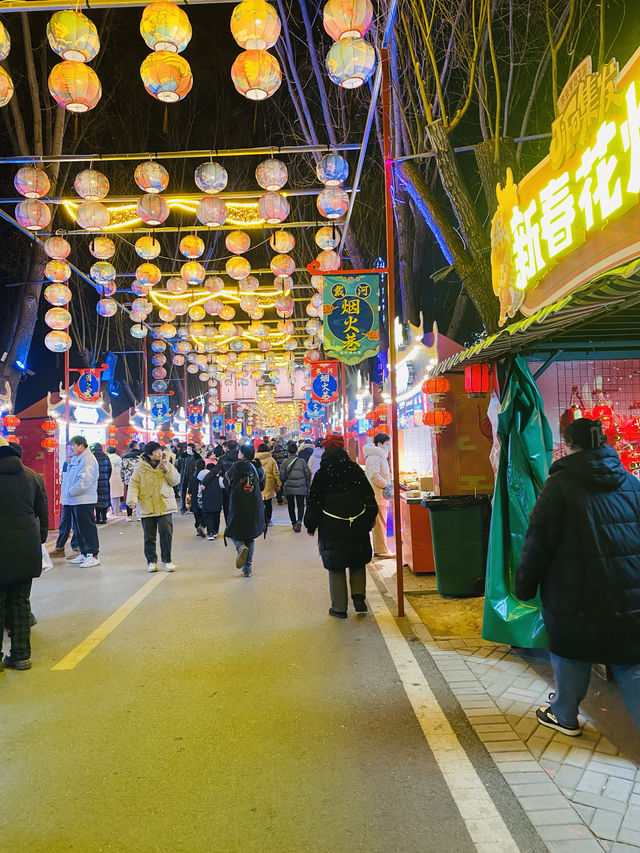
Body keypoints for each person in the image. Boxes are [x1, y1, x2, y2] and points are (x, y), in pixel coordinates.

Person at [515, 417, 640, 735]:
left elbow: (538, 540)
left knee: (571, 653)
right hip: (628, 593)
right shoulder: (631, 483)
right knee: (631, 660)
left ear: (569, 446)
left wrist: (524, 585)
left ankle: (565, 715)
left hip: (573, 594)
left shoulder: (559, 486)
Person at [304, 433, 378, 619]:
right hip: (357, 525)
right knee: (357, 561)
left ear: (327, 449)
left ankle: (339, 607)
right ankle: (359, 597)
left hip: (332, 527)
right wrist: (370, 518)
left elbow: (314, 503)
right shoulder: (354, 469)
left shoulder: (322, 474)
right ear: (343, 447)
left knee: (336, 566)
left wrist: (311, 525)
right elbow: (369, 496)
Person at [0, 437, 49, 672]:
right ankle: (21, 657)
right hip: (27, 548)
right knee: (20, 602)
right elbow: (43, 513)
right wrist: (38, 541)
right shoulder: (32, 476)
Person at [126, 441, 180, 573]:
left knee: (166, 533)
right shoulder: (140, 468)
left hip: (164, 504)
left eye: (160, 450)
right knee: (149, 536)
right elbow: (133, 485)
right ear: (149, 454)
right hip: (147, 504)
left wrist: (167, 472)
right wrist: (132, 500)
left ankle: (167, 560)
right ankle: (151, 561)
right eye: (156, 451)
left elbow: (176, 481)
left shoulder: (166, 464)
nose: (160, 453)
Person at [224, 444, 266, 577]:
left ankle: (240, 546)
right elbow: (262, 486)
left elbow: (226, 484)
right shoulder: (258, 467)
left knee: (234, 532)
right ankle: (247, 569)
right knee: (250, 536)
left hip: (237, 505)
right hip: (254, 505)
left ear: (242, 454)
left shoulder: (235, 467)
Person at [64, 436, 101, 568]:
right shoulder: (76, 459)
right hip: (75, 500)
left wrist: (71, 492)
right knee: (78, 529)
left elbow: (84, 481)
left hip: (83, 499)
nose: (70, 449)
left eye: (72, 446)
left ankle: (93, 555)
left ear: (81, 446)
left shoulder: (88, 459)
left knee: (87, 528)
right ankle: (84, 553)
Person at [363, 432, 394, 557]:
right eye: (387, 444)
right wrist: (386, 485)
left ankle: (381, 549)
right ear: (379, 444)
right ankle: (381, 550)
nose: (388, 446)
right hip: (378, 494)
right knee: (380, 522)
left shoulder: (379, 456)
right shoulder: (375, 457)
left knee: (381, 522)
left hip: (380, 494)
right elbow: (374, 475)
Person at [51, 442, 79, 558]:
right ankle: (59, 547)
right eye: (67, 449)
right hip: (66, 499)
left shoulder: (79, 462)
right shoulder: (65, 464)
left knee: (76, 524)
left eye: (72, 449)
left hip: (76, 498)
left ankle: (76, 548)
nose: (69, 452)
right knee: (64, 523)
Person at [280, 440, 311, 532]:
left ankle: (293, 522)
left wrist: (284, 482)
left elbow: (281, 476)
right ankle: (299, 521)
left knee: (291, 505)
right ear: (297, 451)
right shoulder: (302, 461)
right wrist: (307, 484)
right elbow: (307, 474)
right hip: (300, 486)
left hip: (289, 486)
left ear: (288, 451)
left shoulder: (285, 462)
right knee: (301, 504)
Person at [256, 442, 281, 528]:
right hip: (269, 484)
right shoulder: (271, 460)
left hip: (258, 484)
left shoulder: (255, 460)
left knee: (259, 503)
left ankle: (261, 520)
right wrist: (278, 484)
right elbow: (276, 473)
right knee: (268, 503)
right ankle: (268, 520)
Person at [198, 460, 223, 539]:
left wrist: (199, 501)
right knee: (216, 518)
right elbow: (224, 486)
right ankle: (215, 531)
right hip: (217, 502)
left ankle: (210, 533)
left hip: (207, 502)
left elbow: (199, 492)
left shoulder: (203, 481)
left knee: (208, 518)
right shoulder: (219, 479)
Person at [176, 443, 201, 513]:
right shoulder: (182, 456)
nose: (188, 450)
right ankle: (183, 507)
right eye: (187, 448)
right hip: (184, 477)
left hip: (192, 477)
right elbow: (177, 466)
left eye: (190, 448)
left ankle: (192, 507)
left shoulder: (196, 457)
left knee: (192, 492)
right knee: (183, 492)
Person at [121, 440, 142, 521]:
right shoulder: (141, 455)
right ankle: (139, 515)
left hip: (129, 479)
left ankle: (129, 516)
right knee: (140, 496)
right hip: (140, 479)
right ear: (136, 445)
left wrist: (123, 478)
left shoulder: (125, 456)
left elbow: (122, 469)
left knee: (129, 496)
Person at [92, 443, 112, 525]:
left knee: (97, 500)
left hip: (95, 482)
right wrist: (106, 477)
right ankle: (104, 518)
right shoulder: (106, 456)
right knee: (104, 500)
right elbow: (110, 469)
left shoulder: (92, 457)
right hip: (105, 481)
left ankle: (97, 518)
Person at [220, 439, 240, 520]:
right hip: (239, 485)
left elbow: (215, 471)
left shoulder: (222, 458)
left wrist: (205, 481)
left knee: (227, 505)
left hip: (226, 485)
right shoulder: (240, 458)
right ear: (237, 447)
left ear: (227, 447)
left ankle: (228, 525)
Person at [189, 458, 207, 537]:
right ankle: (202, 526)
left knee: (197, 513)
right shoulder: (206, 476)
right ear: (204, 467)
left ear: (195, 467)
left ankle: (197, 526)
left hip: (195, 498)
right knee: (204, 513)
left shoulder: (193, 477)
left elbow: (190, 490)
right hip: (204, 498)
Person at [107, 445, 124, 516]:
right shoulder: (119, 458)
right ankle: (117, 510)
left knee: (112, 495)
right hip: (119, 477)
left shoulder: (108, 458)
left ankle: (114, 510)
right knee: (118, 495)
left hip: (111, 477)